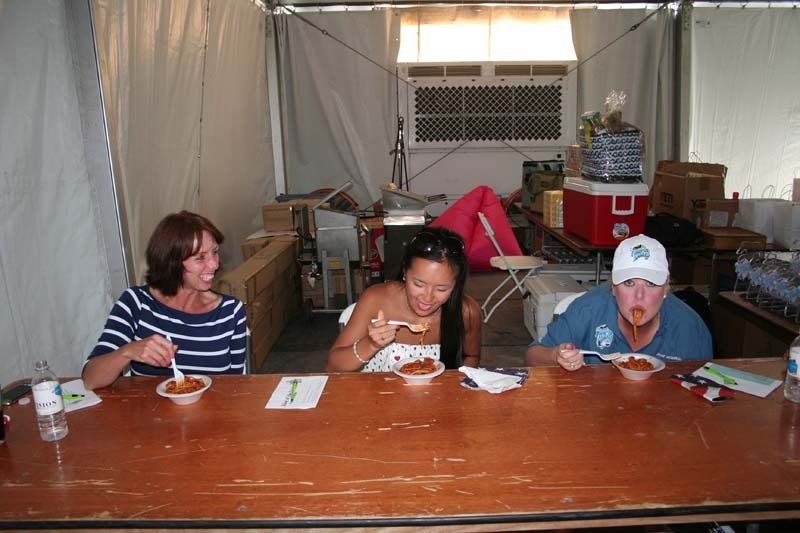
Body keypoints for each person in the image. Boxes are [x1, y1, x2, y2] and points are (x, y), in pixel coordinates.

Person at [83, 211, 247, 389]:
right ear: (172, 262)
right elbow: (90, 379)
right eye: (200, 257)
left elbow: (236, 385)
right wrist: (127, 352)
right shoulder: (137, 303)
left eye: (215, 252)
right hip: (149, 415)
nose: (214, 264)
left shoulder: (230, 312)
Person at [525, 234, 712, 370]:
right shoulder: (587, 310)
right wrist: (556, 355)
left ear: (666, 287)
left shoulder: (690, 328)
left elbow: (703, 385)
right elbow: (532, 356)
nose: (639, 296)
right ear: (613, 286)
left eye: (651, 283)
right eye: (629, 283)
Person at [327, 227, 481, 372]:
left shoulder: (466, 312)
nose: (427, 298)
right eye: (418, 284)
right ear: (405, 272)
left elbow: (471, 356)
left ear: (456, 284)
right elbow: (333, 366)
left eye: (441, 289)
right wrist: (371, 344)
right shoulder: (376, 299)